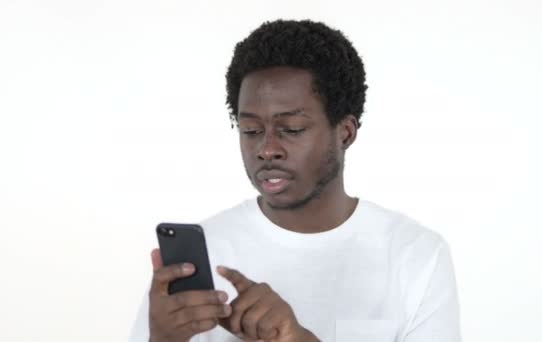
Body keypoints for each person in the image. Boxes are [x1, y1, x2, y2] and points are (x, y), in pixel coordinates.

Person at [129, 19, 461, 342]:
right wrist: (163, 340)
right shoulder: (206, 253)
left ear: (345, 132)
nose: (267, 149)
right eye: (251, 131)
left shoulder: (415, 256)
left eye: (292, 129)